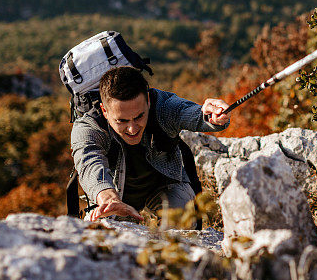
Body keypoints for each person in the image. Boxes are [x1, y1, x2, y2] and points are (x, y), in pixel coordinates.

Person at [71, 66, 230, 222]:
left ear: (148, 100)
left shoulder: (162, 106)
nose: (132, 129)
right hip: (115, 192)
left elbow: (190, 113)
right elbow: (89, 163)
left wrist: (211, 116)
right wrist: (109, 199)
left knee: (183, 223)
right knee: (102, 233)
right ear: (104, 111)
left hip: (164, 185)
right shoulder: (88, 128)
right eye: (122, 121)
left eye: (139, 117)